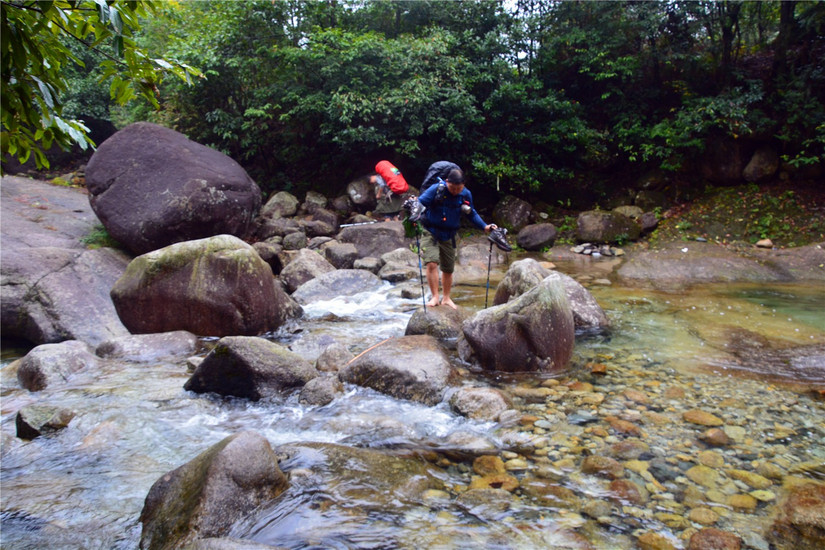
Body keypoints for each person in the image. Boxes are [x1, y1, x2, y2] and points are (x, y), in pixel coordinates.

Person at [417, 168, 495, 309]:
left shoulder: (465, 194)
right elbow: (420, 203)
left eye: (459, 188)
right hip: (431, 231)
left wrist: (484, 226)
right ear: (447, 182)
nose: (455, 191)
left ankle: (446, 298)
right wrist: (413, 214)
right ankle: (435, 297)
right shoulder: (436, 189)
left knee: (448, 268)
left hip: (449, 235)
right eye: (453, 188)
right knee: (432, 263)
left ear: (463, 185)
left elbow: (472, 214)